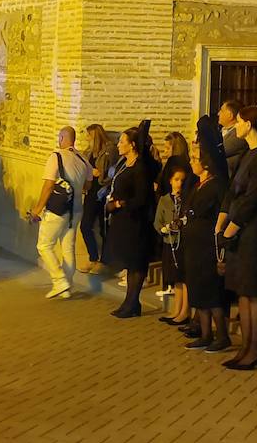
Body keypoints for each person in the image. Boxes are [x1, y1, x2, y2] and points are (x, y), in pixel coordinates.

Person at [217, 107, 257, 368]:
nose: (237, 126)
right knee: (243, 290)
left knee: (254, 290)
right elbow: (233, 191)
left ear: (251, 124)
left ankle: (255, 349)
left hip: (254, 231)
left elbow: (254, 197)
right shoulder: (248, 154)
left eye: (241, 121)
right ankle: (245, 348)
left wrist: (232, 227)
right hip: (239, 230)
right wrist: (222, 220)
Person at [180, 118, 231, 351]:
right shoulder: (198, 184)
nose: (192, 163)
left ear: (207, 164)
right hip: (193, 247)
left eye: (195, 160)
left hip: (207, 248)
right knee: (198, 290)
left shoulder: (216, 185)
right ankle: (205, 332)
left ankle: (221, 335)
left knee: (211, 293)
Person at [104, 122, 159, 318]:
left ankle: (133, 302)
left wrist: (119, 204)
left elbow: (142, 198)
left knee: (137, 262)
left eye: (122, 141)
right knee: (130, 262)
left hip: (136, 222)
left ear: (133, 145)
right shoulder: (124, 164)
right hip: (123, 222)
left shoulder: (140, 168)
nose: (118, 144)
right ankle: (129, 301)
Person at [32, 127, 93, 300]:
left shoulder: (56, 156)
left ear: (62, 138)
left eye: (59, 137)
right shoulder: (83, 159)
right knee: (68, 248)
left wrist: (38, 208)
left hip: (57, 210)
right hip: (76, 210)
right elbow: (88, 186)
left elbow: (48, 185)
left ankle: (59, 281)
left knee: (44, 245)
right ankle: (67, 287)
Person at [155, 166, 190, 328]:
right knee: (175, 277)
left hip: (182, 241)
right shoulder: (165, 199)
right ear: (170, 181)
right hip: (170, 241)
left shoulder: (187, 199)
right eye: (176, 180)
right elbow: (158, 221)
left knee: (183, 277)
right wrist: (163, 228)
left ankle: (184, 311)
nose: (179, 184)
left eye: (182, 180)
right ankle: (176, 310)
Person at [78, 124, 114, 271]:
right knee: (85, 225)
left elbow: (112, 171)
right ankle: (93, 257)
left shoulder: (109, 150)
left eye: (89, 136)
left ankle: (104, 261)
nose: (87, 138)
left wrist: (100, 174)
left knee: (104, 228)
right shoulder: (88, 152)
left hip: (103, 192)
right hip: (90, 193)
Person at [156, 131, 191, 197]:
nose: (165, 152)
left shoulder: (172, 163)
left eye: (168, 148)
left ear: (176, 148)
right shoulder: (187, 163)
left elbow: (164, 186)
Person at [218, 98, 245, 177]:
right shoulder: (221, 131)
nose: (218, 113)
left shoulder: (238, 135)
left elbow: (218, 152)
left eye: (221, 110)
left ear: (230, 115)